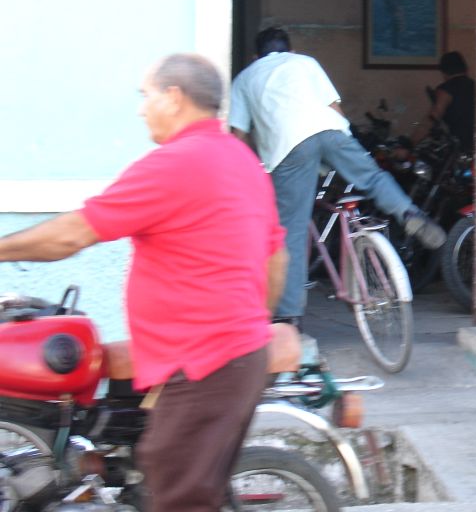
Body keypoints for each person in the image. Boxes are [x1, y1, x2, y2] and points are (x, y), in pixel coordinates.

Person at [0, 53, 287, 512]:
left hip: (206, 365)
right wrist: (250, 327)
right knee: (167, 475)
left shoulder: (176, 163)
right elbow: (276, 259)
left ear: (173, 99)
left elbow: (73, 234)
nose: (141, 108)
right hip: (230, 359)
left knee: (175, 493)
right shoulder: (241, 158)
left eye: (146, 96)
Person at [228, 26, 445, 326]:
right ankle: (408, 212)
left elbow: (238, 137)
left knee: (291, 231)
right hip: (331, 131)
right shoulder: (305, 62)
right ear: (290, 50)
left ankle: (289, 315)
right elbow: (335, 108)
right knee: (372, 177)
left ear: (255, 56)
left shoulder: (244, 78)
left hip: (288, 149)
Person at [410, 51, 476, 149]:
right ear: (465, 68)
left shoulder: (446, 90)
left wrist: (409, 145)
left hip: (461, 148)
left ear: (444, 72)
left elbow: (431, 120)